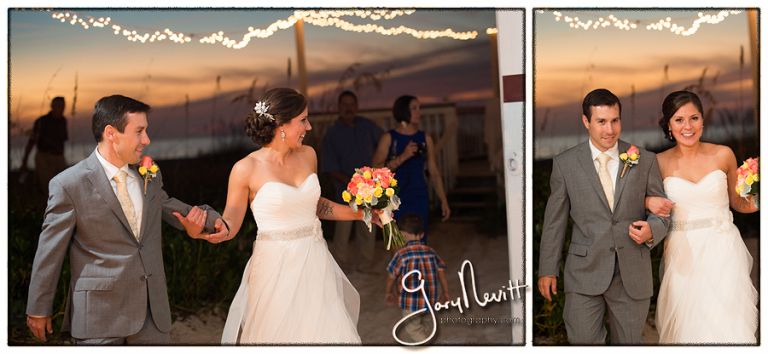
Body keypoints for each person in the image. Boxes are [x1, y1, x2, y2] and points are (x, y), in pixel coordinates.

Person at [25, 94, 228, 345]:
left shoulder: (149, 174)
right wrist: (38, 307)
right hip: (99, 318)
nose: (147, 140)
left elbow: (165, 204)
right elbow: (49, 251)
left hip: (152, 315)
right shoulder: (68, 184)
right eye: (139, 131)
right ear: (111, 133)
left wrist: (211, 219)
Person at [216, 88, 375, 344]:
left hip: (315, 261)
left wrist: (362, 214)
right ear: (280, 124)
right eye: (303, 120)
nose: (309, 127)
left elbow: (313, 205)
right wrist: (214, 229)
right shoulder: (245, 168)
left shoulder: (308, 154)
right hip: (275, 269)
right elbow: (231, 220)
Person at [536, 88, 670, 344]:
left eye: (615, 120)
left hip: (631, 273)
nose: (610, 130)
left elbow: (662, 213)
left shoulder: (645, 160)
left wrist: (653, 230)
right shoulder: (565, 164)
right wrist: (547, 270)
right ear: (586, 121)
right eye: (601, 122)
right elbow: (555, 222)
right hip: (583, 273)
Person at [645, 90, 758, 344]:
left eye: (694, 118)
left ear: (703, 121)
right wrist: (648, 201)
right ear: (669, 125)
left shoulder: (723, 154)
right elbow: (643, 204)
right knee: (688, 329)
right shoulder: (657, 162)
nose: (688, 126)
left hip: (723, 249)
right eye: (679, 120)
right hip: (682, 254)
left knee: (728, 325)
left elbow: (738, 203)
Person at [372, 95, 450, 243]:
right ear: (403, 111)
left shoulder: (425, 138)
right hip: (395, 197)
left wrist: (443, 200)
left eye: (419, 108)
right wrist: (403, 157)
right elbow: (375, 169)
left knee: (420, 241)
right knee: (397, 242)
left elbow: (433, 171)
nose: (419, 112)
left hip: (418, 195)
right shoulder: (389, 138)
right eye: (414, 108)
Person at [320, 90, 383, 273]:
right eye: (344, 104)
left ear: (356, 106)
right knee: (343, 231)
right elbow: (330, 168)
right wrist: (354, 183)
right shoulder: (332, 134)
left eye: (351, 104)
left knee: (367, 228)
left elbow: (384, 143)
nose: (348, 108)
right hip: (345, 190)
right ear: (339, 108)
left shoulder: (368, 126)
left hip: (369, 189)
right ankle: (340, 269)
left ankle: (365, 265)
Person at [385, 214, 449, 343]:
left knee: (412, 328)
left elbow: (392, 275)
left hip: (411, 302)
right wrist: (446, 292)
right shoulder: (431, 252)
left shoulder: (401, 255)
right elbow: (441, 271)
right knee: (426, 324)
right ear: (421, 235)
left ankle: (426, 347)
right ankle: (428, 341)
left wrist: (388, 292)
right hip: (429, 299)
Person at [21, 96, 69, 196]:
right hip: (44, 158)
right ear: (52, 106)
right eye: (57, 105)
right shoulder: (42, 121)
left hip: (58, 157)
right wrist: (25, 160)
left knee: (64, 188)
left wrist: (61, 159)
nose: (60, 108)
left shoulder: (63, 121)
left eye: (62, 106)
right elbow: (31, 141)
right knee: (49, 189)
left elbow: (62, 142)